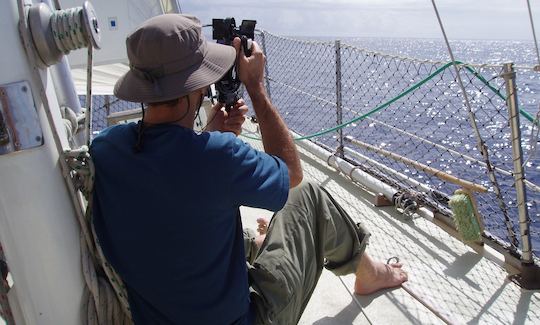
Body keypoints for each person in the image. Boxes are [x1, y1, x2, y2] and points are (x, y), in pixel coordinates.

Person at [90, 14, 407, 325]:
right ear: (196, 85)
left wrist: (209, 137)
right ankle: (370, 273)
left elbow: (171, 185)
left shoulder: (106, 148)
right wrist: (256, 88)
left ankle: (259, 245)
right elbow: (291, 174)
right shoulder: (219, 157)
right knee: (309, 195)